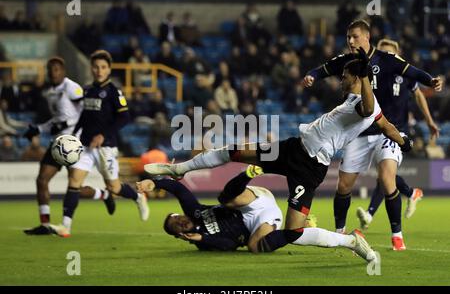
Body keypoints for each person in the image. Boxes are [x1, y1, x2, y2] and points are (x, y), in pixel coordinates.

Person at [144, 52, 410, 260]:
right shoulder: (362, 104)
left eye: (344, 76)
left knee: (294, 232)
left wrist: (364, 77)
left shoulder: (366, 103)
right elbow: (385, 124)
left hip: (310, 166)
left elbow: (368, 110)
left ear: (355, 77)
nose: (341, 80)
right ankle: (181, 169)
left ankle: (351, 241)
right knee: (233, 151)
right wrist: (404, 141)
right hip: (293, 148)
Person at [302, 20, 443, 250]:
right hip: (358, 132)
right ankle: (340, 233)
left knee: (388, 180)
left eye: (355, 36)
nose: (350, 41)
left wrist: (430, 80)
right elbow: (324, 69)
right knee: (343, 186)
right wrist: (311, 76)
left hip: (386, 130)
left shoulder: (387, 60)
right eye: (348, 37)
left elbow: (412, 71)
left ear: (367, 37)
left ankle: (397, 235)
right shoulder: (347, 60)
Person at [138, 166, 375, 262]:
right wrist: (203, 239)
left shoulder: (195, 211)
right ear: (180, 235)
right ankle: (309, 227)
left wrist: (154, 183)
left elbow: (178, 188)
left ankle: (250, 172)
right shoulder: (203, 242)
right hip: (262, 221)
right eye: (176, 227)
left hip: (251, 201)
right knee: (255, 246)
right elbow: (229, 245)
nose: (180, 222)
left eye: (176, 218)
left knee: (226, 200)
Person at [48, 50, 149, 237]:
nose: (99, 70)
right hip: (85, 145)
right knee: (74, 181)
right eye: (95, 67)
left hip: (106, 147)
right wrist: (74, 136)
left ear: (109, 69)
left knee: (115, 188)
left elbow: (125, 117)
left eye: (103, 67)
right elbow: (83, 117)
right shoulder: (86, 90)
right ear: (91, 69)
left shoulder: (113, 92)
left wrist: (103, 135)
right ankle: (65, 226)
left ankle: (138, 196)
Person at [355, 39, 440, 230]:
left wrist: (429, 121)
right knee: (385, 176)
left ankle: (371, 215)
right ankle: (411, 193)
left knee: (384, 175)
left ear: (397, 55)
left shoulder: (405, 75)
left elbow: (418, 95)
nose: (385, 57)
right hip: (374, 128)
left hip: (396, 130)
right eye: (382, 53)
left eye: (390, 54)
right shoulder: (372, 74)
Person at [22, 57, 111, 235]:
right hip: (57, 143)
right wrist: (38, 129)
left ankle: (103, 194)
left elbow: (84, 110)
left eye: (56, 69)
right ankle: (45, 224)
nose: (53, 72)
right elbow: (57, 120)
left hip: (74, 143)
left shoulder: (72, 87)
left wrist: (65, 124)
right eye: (50, 69)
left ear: (63, 71)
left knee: (74, 186)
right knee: (41, 180)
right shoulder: (49, 93)